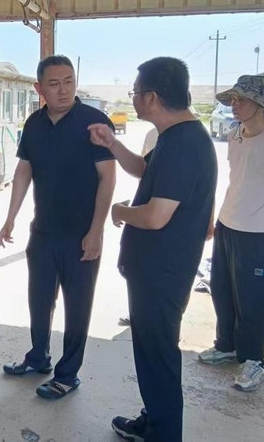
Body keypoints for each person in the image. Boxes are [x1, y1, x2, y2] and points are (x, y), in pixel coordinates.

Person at [88, 57, 216, 442]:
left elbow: (157, 216)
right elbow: (144, 170)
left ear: (153, 97)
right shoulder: (175, 138)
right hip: (158, 270)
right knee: (152, 353)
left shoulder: (184, 145)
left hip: (163, 273)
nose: (134, 99)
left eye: (136, 92)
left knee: (158, 357)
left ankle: (163, 433)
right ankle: (156, 420)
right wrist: (112, 143)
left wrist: (120, 211)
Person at [0, 55, 116, 401]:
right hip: (43, 232)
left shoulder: (94, 122)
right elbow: (24, 170)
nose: (63, 90)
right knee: (39, 300)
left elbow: (108, 178)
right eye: (54, 84)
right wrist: (10, 217)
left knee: (77, 307)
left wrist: (96, 231)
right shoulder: (34, 124)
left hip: (81, 235)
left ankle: (67, 375)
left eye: (69, 82)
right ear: (39, 88)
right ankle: (38, 358)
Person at [198, 75, 264, 392]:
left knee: (252, 299)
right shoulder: (234, 135)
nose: (234, 104)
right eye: (233, 99)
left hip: (257, 234)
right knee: (222, 290)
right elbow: (238, 180)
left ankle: (254, 360)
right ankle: (227, 346)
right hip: (228, 225)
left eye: (241, 99)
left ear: (260, 104)